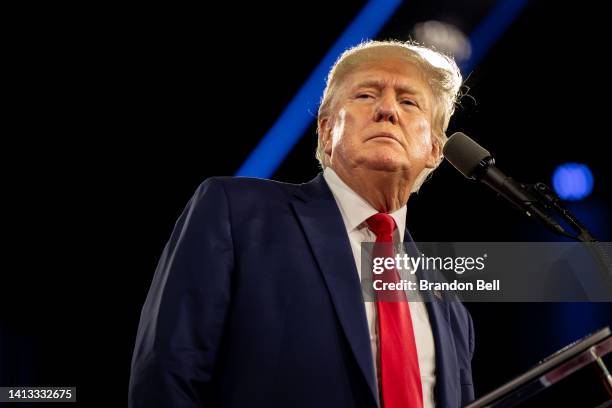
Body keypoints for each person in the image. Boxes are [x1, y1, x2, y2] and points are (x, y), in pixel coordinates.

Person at [129, 40, 475, 408]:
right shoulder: (238, 213)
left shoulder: (450, 304)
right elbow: (167, 371)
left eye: (408, 101)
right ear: (327, 130)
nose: (387, 109)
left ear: (435, 150)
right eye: (365, 95)